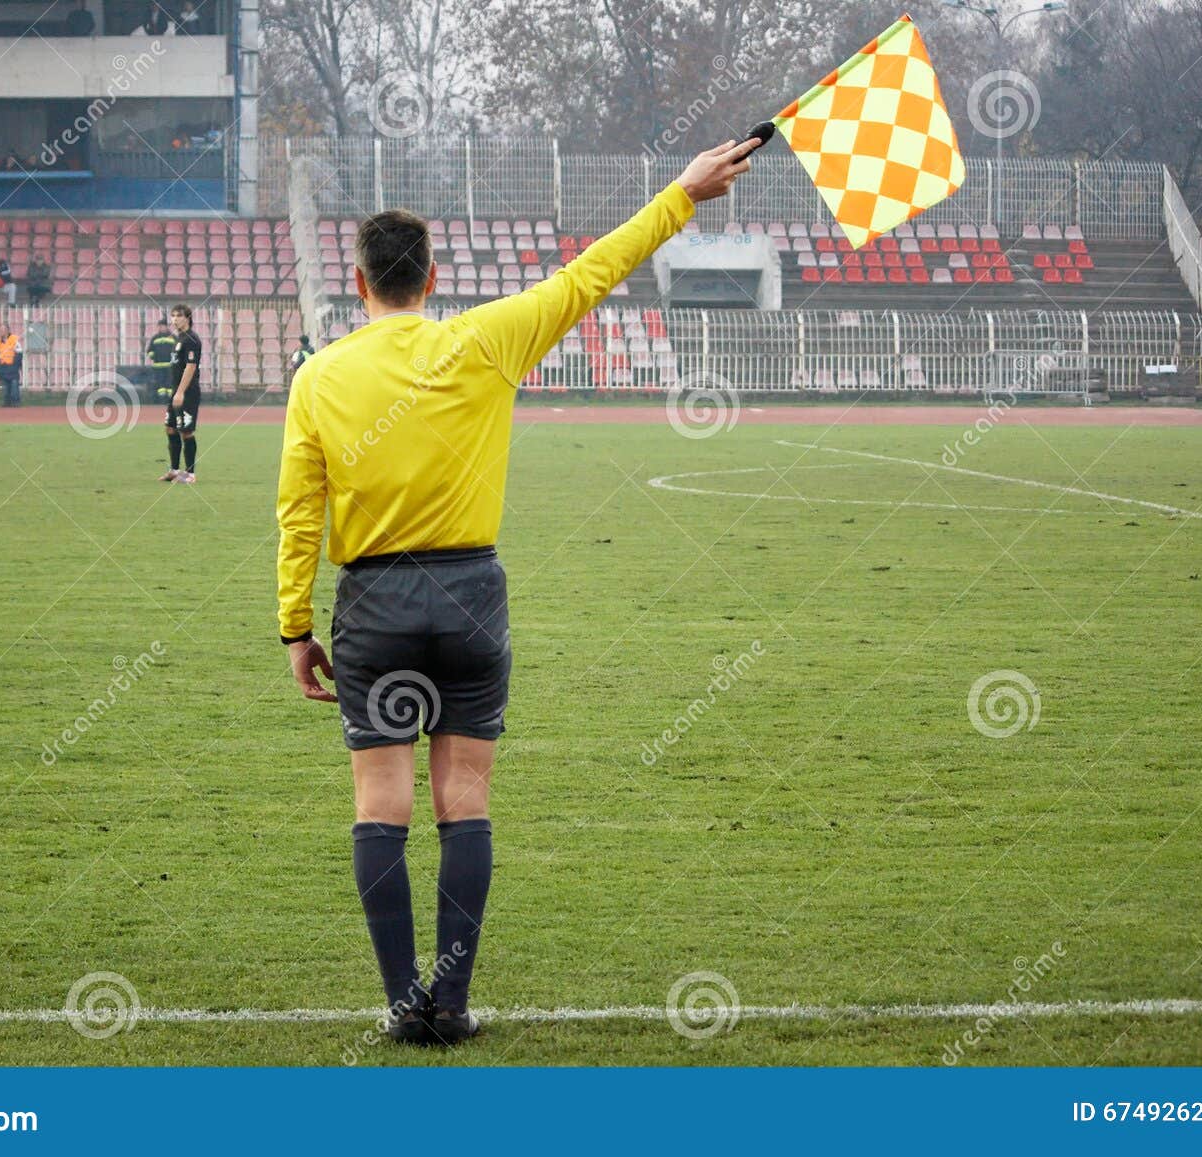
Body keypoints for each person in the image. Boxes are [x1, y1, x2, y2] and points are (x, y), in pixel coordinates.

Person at [274, 138, 756, 1046]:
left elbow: (299, 516)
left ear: (360, 279)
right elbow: (593, 272)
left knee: (381, 805)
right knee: (467, 801)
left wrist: (296, 627)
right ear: (431, 275)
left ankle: (400, 1003)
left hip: (372, 602)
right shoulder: (485, 340)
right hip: (468, 597)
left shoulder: (321, 377)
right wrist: (683, 194)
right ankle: (450, 1003)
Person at [159, 304, 201, 483]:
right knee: (170, 427)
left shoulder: (191, 339)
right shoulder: (179, 338)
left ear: (188, 318)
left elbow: (191, 367)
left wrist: (181, 392)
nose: (174, 319)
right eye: (173, 315)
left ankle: (190, 474)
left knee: (186, 432)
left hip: (187, 393)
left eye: (178, 316)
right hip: (176, 392)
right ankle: (174, 471)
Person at [146, 317, 177, 401]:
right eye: (159, 326)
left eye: (162, 326)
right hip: (158, 366)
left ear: (167, 327)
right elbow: (149, 350)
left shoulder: (173, 337)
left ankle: (170, 399)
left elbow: (178, 350)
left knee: (170, 383)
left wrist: (175, 359)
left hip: (170, 365)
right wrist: (153, 356)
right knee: (160, 384)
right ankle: (161, 399)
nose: (161, 327)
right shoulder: (155, 338)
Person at [0, 328, 22, 406]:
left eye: (3, 330)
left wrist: (16, 364)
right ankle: (7, 402)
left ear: (8, 331)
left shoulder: (14, 340)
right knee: (6, 386)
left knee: (14, 384)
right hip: (3, 366)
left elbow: (19, 353)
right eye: (0, 330)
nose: (1, 332)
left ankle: (15, 402)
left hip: (12, 366)